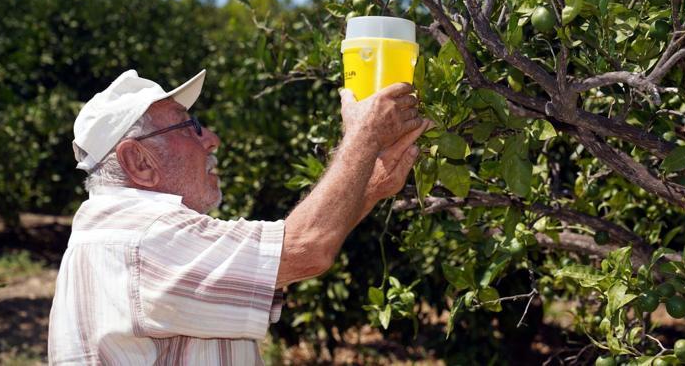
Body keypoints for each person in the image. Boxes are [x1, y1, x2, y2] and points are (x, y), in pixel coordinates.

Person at [48, 69, 429, 365]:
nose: (210, 137)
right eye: (189, 125)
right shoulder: (145, 237)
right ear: (138, 161)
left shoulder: (117, 231)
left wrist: (372, 187)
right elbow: (304, 249)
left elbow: (281, 265)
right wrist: (362, 135)